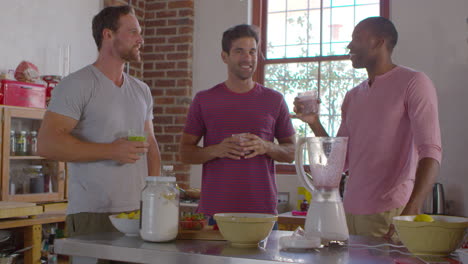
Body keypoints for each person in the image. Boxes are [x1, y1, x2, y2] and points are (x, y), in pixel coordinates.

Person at [293, 17, 442, 237]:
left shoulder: (414, 82)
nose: (349, 46)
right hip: (349, 212)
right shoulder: (353, 96)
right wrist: (314, 122)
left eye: (357, 38)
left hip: (391, 212)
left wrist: (412, 209)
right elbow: (338, 160)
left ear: (379, 42)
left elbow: (431, 151)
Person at [37, 5, 161, 238]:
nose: (140, 39)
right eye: (133, 32)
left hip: (138, 212)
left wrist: (153, 197)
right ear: (108, 35)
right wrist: (111, 150)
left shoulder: (142, 90)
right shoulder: (77, 84)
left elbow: (151, 145)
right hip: (93, 214)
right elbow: (47, 143)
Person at [179, 24, 296, 217]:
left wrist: (266, 146)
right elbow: (185, 153)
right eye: (239, 51)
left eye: (252, 52)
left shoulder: (274, 100)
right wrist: (216, 150)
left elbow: (291, 152)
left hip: (262, 214)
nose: (247, 58)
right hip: (214, 213)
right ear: (224, 56)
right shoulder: (204, 99)